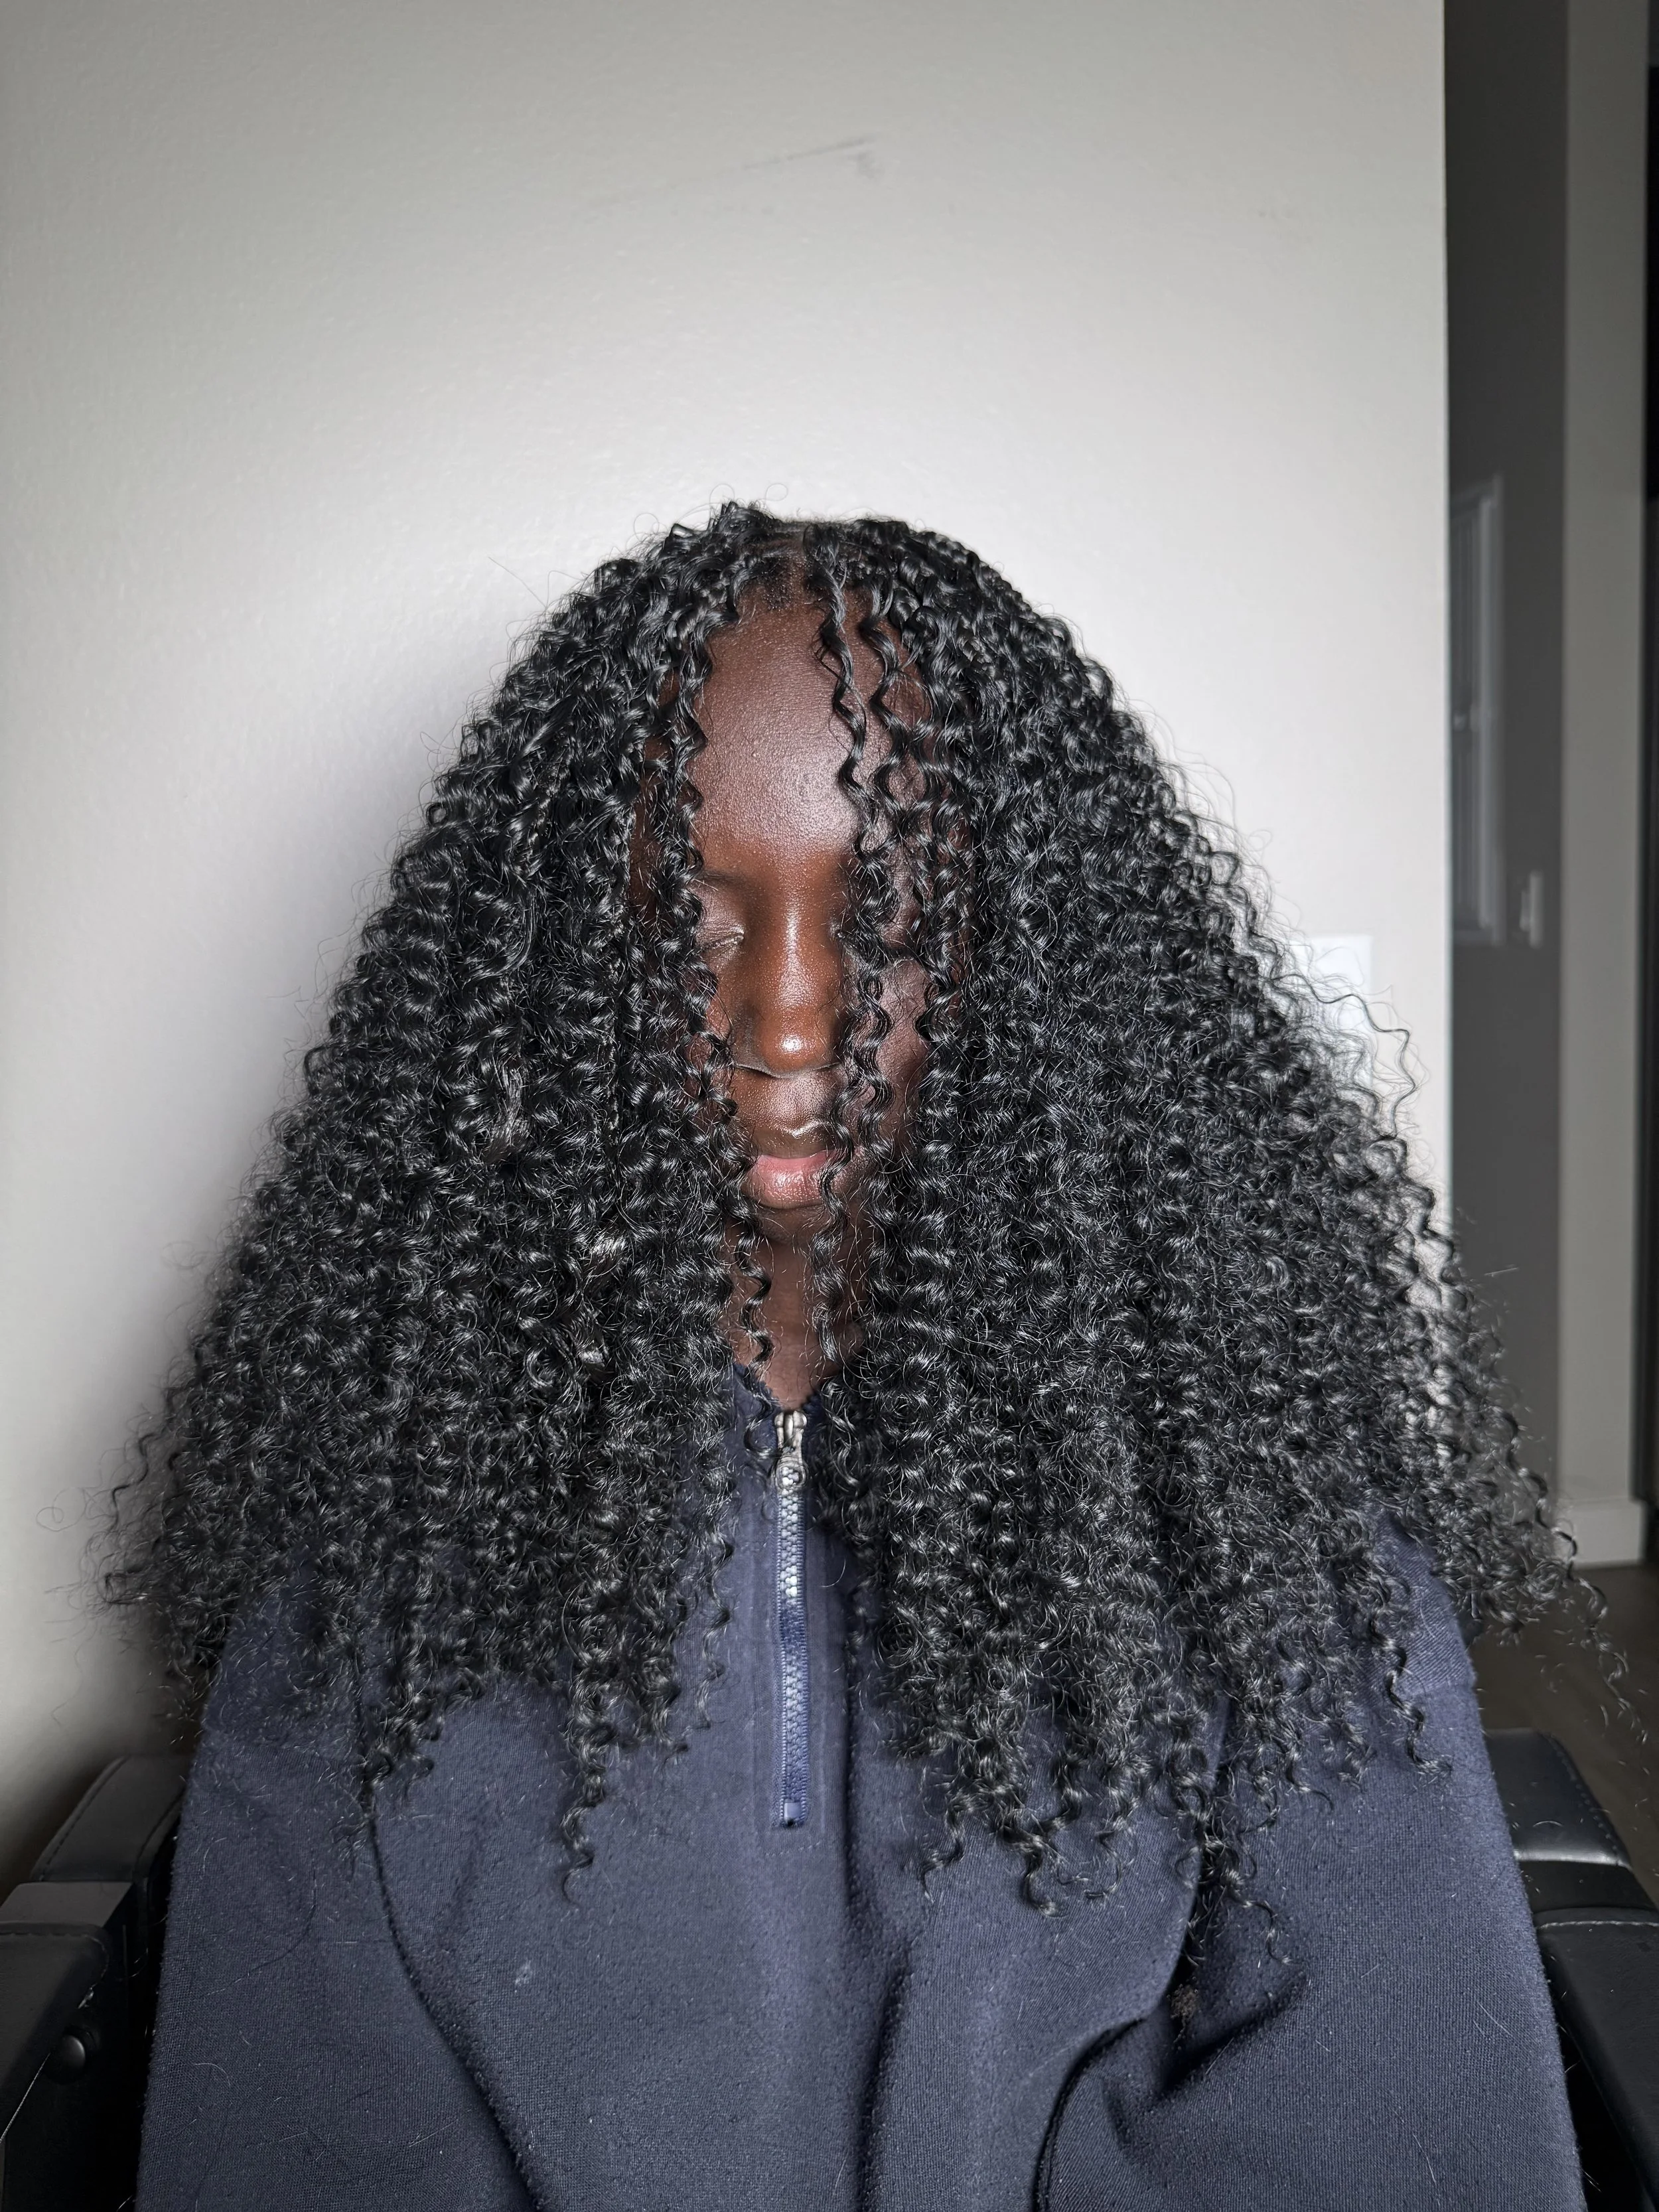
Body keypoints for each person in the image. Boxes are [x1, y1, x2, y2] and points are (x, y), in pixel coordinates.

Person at [124, 508, 1587, 2210]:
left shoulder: (1247, 1512)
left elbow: (1400, 2124)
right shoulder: (389, 1508)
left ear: (1021, 959)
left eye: (884, 913)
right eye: (690, 916)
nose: (789, 1015)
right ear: (559, 965)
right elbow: (296, 2130)